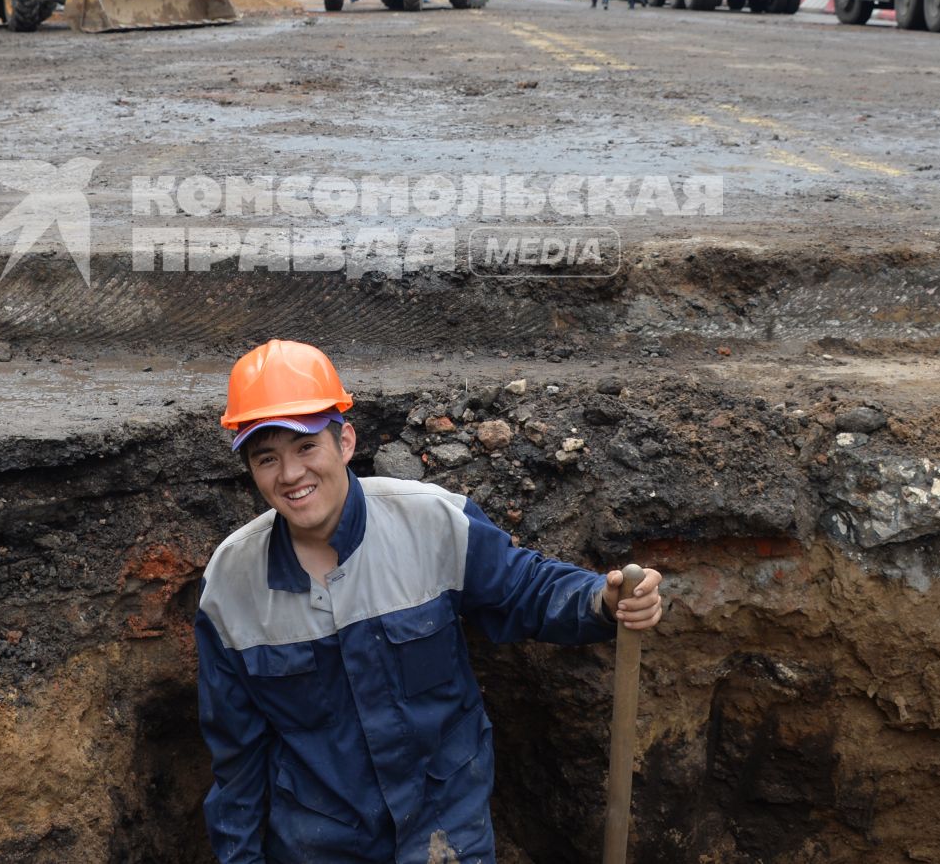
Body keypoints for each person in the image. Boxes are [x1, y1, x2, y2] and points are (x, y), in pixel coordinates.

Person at [194, 340, 663, 864]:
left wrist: (601, 599)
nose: (290, 474)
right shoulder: (230, 585)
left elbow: (524, 589)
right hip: (319, 842)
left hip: (444, 829)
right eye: (267, 458)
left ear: (344, 441)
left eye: (306, 447)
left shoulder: (432, 522)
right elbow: (236, 759)